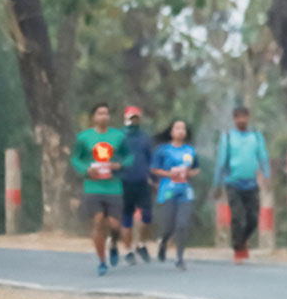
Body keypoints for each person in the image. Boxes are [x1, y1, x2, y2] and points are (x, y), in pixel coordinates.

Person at [70, 102, 130, 276]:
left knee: (114, 224)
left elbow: (129, 157)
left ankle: (113, 244)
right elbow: (76, 159)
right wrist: (86, 170)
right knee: (97, 221)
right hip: (93, 187)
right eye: (99, 113)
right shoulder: (84, 138)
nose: (103, 116)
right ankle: (102, 261)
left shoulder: (118, 136)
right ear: (93, 118)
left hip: (113, 188)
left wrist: (118, 164)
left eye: (106, 113)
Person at [212, 106, 270, 263]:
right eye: (238, 117)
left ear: (248, 117)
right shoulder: (228, 137)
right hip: (233, 183)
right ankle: (238, 249)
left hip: (251, 183)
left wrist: (267, 176)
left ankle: (242, 240)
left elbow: (263, 157)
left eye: (244, 117)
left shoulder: (256, 136)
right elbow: (221, 162)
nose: (242, 120)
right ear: (234, 119)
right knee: (238, 217)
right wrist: (217, 184)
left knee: (253, 218)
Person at [151, 119, 200, 270]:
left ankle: (180, 258)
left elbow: (196, 169)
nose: (180, 131)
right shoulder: (162, 150)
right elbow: (154, 169)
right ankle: (164, 241)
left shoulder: (190, 151)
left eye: (183, 128)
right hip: (167, 190)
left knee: (182, 224)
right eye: (177, 128)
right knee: (168, 226)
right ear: (171, 132)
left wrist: (189, 173)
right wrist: (169, 173)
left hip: (185, 191)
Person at [119, 105, 155, 265]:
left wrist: (153, 178)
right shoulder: (119, 137)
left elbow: (150, 159)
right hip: (124, 182)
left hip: (142, 182)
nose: (134, 121)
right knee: (127, 218)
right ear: (126, 119)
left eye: (136, 118)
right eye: (131, 118)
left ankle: (141, 244)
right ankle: (128, 250)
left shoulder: (144, 138)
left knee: (147, 215)